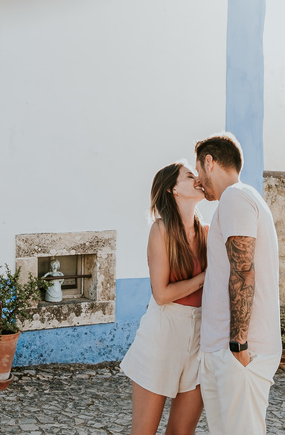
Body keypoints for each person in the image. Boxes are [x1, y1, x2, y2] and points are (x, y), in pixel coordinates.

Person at [193, 133, 281, 435]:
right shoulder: (237, 200)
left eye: (198, 172)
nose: (198, 181)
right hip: (226, 349)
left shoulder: (236, 196)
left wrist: (239, 344)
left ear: (209, 162)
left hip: (241, 351)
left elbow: (243, 270)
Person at [120, 162, 209, 435]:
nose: (198, 179)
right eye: (190, 176)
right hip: (162, 333)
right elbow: (161, 294)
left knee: (182, 432)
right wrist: (204, 277)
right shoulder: (161, 230)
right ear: (173, 189)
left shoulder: (206, 232)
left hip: (199, 336)